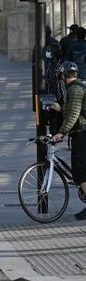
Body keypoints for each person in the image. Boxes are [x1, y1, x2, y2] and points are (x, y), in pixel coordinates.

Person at [50, 61, 86, 219]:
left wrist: (61, 133)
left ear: (64, 76)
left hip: (83, 134)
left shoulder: (75, 89)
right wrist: (61, 109)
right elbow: (73, 110)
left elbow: (73, 115)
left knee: (80, 172)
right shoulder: (77, 87)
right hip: (81, 133)